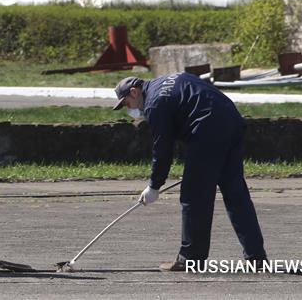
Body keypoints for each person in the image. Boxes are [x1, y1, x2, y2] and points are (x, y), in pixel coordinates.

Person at [113, 72, 267, 271]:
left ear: (134, 92)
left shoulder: (154, 103)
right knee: (236, 194)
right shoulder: (165, 80)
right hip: (232, 121)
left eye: (126, 104)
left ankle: (190, 258)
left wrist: (154, 185)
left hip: (207, 129)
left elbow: (162, 149)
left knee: (194, 195)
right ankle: (257, 257)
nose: (130, 110)